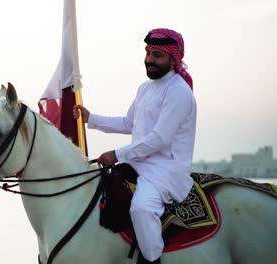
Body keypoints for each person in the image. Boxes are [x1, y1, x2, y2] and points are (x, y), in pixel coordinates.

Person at [73, 28, 196, 264]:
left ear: (174, 58)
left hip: (165, 171)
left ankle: (152, 260)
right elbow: (130, 123)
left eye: (157, 54)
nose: (150, 59)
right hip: (139, 164)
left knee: (141, 209)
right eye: (149, 52)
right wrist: (92, 118)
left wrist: (116, 154)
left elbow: (160, 138)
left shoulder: (179, 92)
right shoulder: (145, 88)